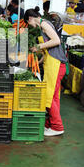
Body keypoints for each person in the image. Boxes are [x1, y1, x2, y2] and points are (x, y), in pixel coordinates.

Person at [24, 9, 68, 137]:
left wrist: (38, 47)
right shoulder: (45, 24)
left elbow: (56, 41)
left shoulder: (44, 24)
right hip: (53, 64)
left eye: (28, 23)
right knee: (53, 97)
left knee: (48, 96)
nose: (29, 25)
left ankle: (57, 127)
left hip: (56, 65)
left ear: (30, 18)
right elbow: (50, 48)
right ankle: (50, 124)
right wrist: (39, 61)